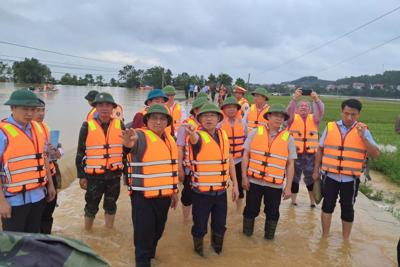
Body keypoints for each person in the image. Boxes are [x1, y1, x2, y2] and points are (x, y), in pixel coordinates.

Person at [312, 99, 380, 240]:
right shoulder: (330, 127)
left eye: (353, 114)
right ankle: (324, 237)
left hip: (350, 179)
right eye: (346, 113)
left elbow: (375, 154)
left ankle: (345, 240)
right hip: (330, 176)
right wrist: (315, 171)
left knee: (347, 209)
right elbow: (320, 149)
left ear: (358, 114)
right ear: (342, 112)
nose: (349, 117)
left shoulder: (364, 130)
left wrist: (364, 138)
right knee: (327, 206)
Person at [122, 104, 178, 267]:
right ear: (147, 121)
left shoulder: (170, 140)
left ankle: (150, 257)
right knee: (143, 237)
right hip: (143, 199)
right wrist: (128, 143)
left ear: (167, 122)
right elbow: (130, 144)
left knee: (157, 232)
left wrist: (174, 192)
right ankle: (142, 261)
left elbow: (170, 169)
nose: (158, 122)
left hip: (164, 197)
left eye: (162, 119)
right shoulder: (140, 136)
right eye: (154, 118)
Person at [184, 103, 239, 256]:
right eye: (204, 116)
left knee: (220, 226)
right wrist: (191, 133)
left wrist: (235, 184)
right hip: (202, 194)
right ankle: (199, 254)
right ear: (199, 119)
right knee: (200, 227)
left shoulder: (223, 135)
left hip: (221, 193)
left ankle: (217, 251)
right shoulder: (197, 136)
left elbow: (229, 160)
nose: (209, 119)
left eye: (212, 115)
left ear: (218, 118)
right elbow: (194, 140)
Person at [0, 88, 56, 233]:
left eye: (33, 109)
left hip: (38, 197)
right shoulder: (3, 133)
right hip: (14, 201)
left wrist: (50, 185)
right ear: (12, 108)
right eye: (25, 109)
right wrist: (1, 201)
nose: (30, 113)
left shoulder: (38, 128)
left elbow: (44, 158)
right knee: (14, 245)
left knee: (33, 240)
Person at [242, 104, 295, 240]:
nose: (278, 119)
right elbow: (246, 155)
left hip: (275, 185)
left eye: (281, 116)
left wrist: (288, 187)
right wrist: (244, 178)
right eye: (275, 115)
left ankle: (268, 239)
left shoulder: (288, 137)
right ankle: (246, 238)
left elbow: (290, 164)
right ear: (269, 117)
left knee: (272, 213)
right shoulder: (255, 132)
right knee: (250, 210)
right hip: (254, 181)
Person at [76, 92, 125, 230]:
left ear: (112, 108)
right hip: (94, 176)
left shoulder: (120, 125)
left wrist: (127, 173)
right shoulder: (87, 126)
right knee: (91, 205)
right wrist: (81, 176)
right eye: (101, 105)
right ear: (95, 107)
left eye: (108, 105)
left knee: (111, 205)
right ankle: (87, 233)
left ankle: (109, 231)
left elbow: (125, 151)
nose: (104, 108)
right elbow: (80, 153)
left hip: (114, 175)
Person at [287, 88, 324, 207]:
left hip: (311, 154)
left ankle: (312, 202)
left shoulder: (315, 119)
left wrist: (316, 99)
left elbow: (321, 111)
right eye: (301, 106)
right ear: (297, 109)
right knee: (294, 177)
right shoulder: (292, 119)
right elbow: (288, 111)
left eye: (306, 106)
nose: (303, 107)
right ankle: (293, 201)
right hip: (295, 154)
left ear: (310, 109)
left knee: (311, 178)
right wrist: (294, 99)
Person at [33, 99, 64, 234]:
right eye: (37, 110)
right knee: (36, 215)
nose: (41, 113)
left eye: (43, 110)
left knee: (48, 212)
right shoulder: (27, 131)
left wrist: (57, 152)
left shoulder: (46, 128)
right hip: (35, 179)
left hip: (50, 175)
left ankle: (46, 238)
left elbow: (60, 149)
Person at [176, 97, 208, 221]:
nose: (206, 114)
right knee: (187, 196)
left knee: (204, 196)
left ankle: (200, 218)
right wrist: (180, 169)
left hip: (206, 170)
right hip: (190, 169)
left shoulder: (210, 126)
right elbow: (180, 148)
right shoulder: (184, 127)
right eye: (202, 110)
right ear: (195, 110)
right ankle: (185, 221)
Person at [220, 96, 247, 211]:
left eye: (234, 107)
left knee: (240, 187)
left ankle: (238, 211)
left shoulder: (242, 122)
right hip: (223, 161)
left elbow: (246, 140)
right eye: (228, 107)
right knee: (221, 186)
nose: (231, 109)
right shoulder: (219, 123)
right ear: (224, 109)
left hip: (239, 160)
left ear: (237, 109)